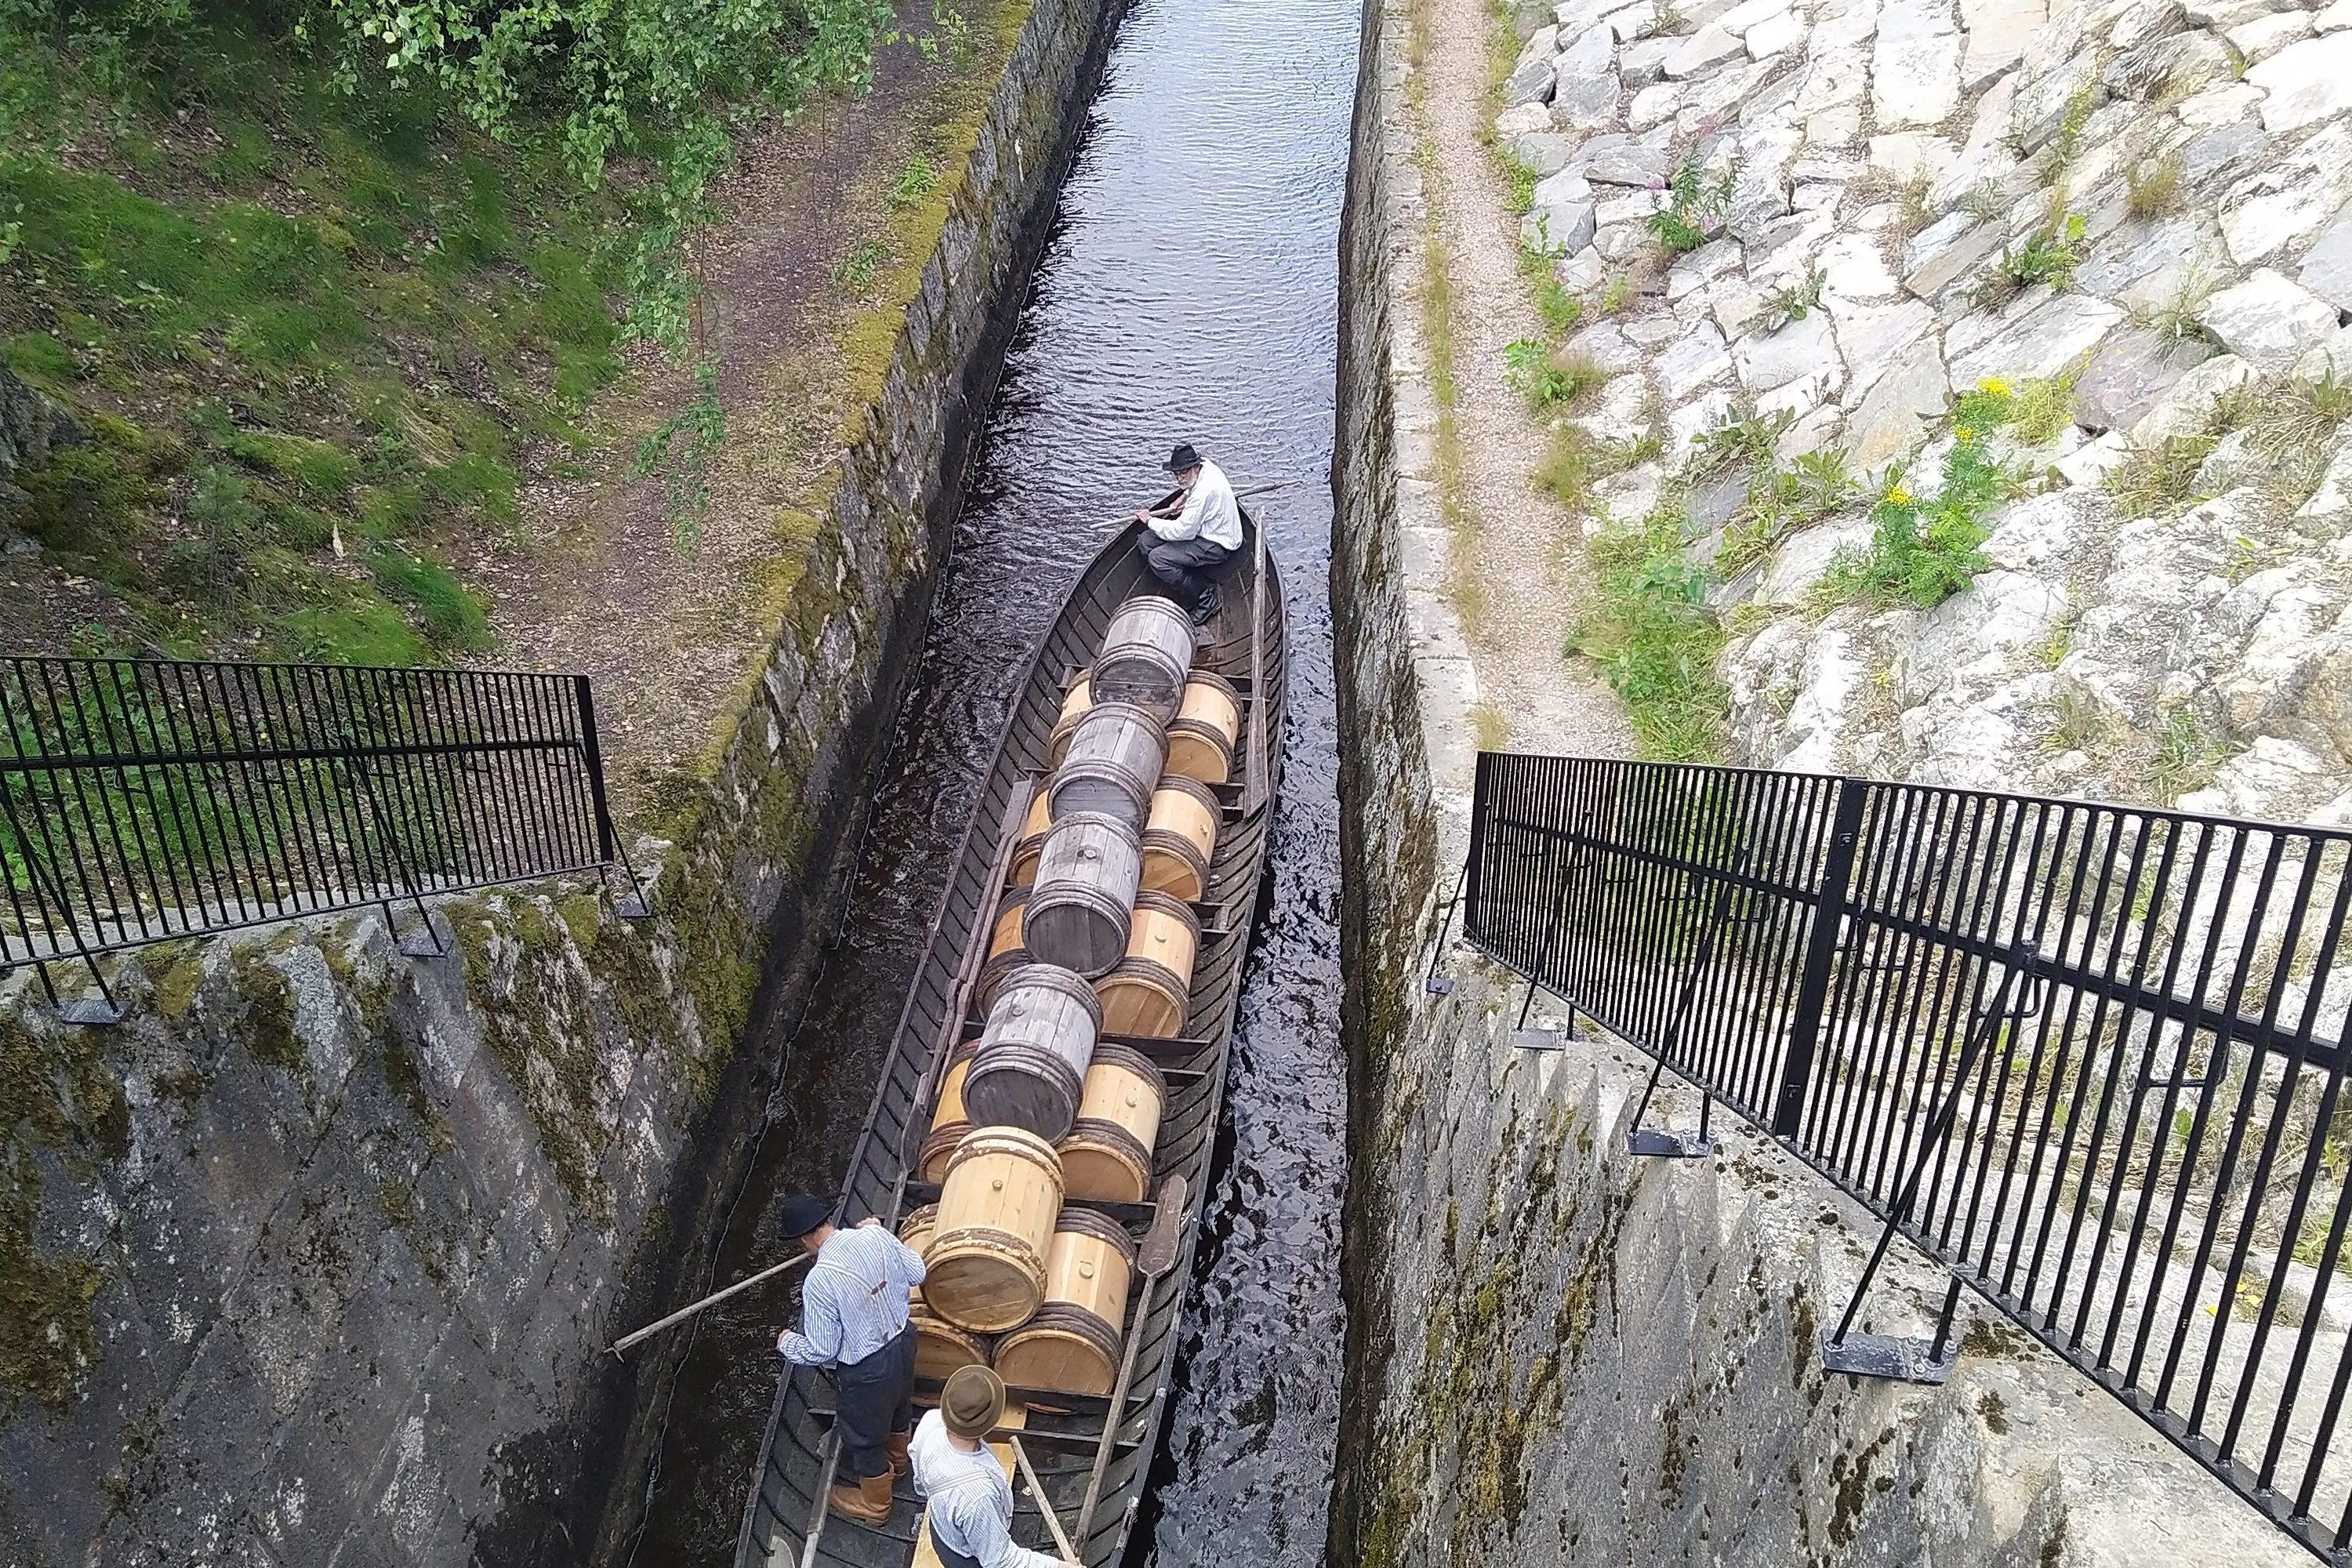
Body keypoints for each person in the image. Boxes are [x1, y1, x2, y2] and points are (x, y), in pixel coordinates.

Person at [772, 1192, 927, 1525]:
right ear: (828, 1220)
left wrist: (788, 1343)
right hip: (904, 1341)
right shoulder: (876, 1235)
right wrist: (883, 1233)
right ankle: (899, 1463)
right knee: (900, 1405)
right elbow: (918, 1272)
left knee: (863, 1436)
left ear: (804, 1240)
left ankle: (876, 1505)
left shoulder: (819, 1280)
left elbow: (823, 1349)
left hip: (868, 1371)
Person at [909, 1365, 1081, 1568]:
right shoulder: (978, 1497)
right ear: (990, 1422)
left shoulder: (930, 1422)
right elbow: (1000, 1560)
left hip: (942, 1532)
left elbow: (922, 1485)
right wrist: (1060, 1567)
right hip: (967, 1558)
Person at [1134, 441, 1243, 626]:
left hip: (1217, 542)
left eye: (1183, 472)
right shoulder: (1206, 465)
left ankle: (1206, 599)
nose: (1179, 478)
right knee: (1145, 541)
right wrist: (1181, 498)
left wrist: (1149, 520)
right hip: (1203, 530)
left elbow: (1182, 531)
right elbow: (1190, 488)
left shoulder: (1203, 493)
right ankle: (1184, 577)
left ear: (1195, 466)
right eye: (1176, 474)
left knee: (1158, 559)